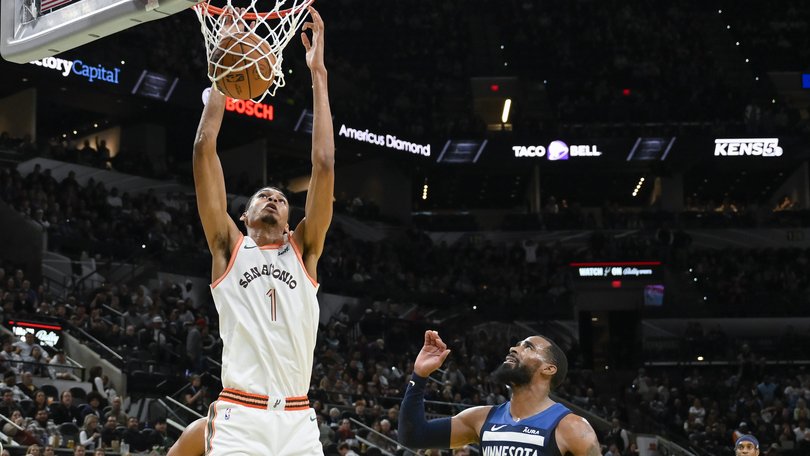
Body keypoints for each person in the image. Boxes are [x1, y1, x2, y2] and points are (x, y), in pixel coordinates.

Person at [192, 5, 333, 456]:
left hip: (298, 417)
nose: (272, 198)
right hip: (241, 414)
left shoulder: (305, 250)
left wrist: (319, 74)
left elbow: (324, 164)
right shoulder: (227, 248)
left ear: (291, 220)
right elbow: (203, 148)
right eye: (261, 197)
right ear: (243, 218)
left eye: (281, 198)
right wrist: (221, 69)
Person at [398, 331, 601, 456]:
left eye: (528, 347)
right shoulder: (480, 418)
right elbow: (413, 436)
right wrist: (420, 375)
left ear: (548, 369)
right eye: (517, 344)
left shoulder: (572, 428)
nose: (513, 348)